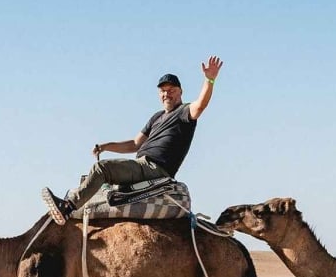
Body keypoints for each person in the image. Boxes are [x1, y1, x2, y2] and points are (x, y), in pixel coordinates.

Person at [41, 57, 224, 225]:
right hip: (141, 164)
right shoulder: (157, 117)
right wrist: (106, 146)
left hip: (156, 168)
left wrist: (210, 80)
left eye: (171, 90)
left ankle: (68, 207)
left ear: (180, 91)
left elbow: (201, 104)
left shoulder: (184, 112)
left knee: (101, 169)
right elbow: (135, 144)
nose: (166, 94)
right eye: (162, 91)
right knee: (96, 177)